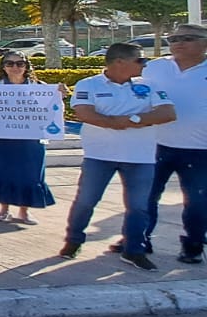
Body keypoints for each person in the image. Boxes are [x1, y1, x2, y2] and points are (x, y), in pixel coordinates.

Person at [61, 43, 174, 271]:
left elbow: (167, 113)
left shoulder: (149, 85)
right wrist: (117, 123)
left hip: (140, 157)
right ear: (120, 62)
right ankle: (73, 240)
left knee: (138, 206)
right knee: (86, 201)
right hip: (99, 155)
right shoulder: (89, 84)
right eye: (140, 60)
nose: (145, 64)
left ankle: (134, 250)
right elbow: (84, 112)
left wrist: (131, 120)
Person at [142, 24, 207, 263]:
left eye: (188, 38)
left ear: (204, 43)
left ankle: (193, 244)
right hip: (156, 144)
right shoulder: (155, 67)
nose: (179, 43)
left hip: (200, 150)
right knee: (145, 196)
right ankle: (139, 239)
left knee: (198, 201)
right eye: (174, 38)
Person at [0, 53, 57, 224]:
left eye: (20, 63)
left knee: (28, 174)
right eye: (10, 63)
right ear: (3, 66)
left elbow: (51, 112)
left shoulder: (40, 87)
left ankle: (24, 211)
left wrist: (59, 95)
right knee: (1, 172)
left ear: (26, 66)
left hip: (29, 140)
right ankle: (4, 209)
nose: (15, 67)